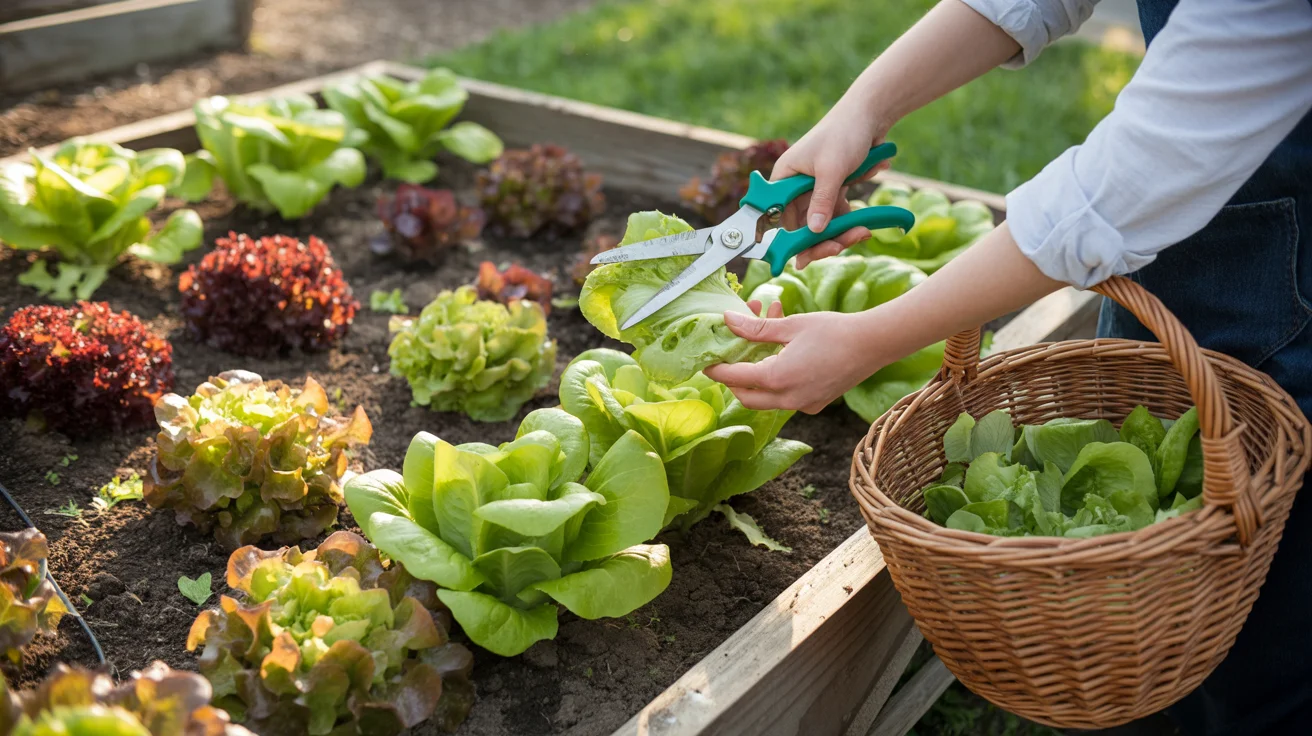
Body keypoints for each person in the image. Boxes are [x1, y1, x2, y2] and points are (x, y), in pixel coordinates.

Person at [702, 1, 1312, 734]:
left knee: (1268, 656)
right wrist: (863, 107)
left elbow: (1135, 174)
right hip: (1159, 266)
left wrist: (869, 339)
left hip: (1287, 288)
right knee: (1133, 637)